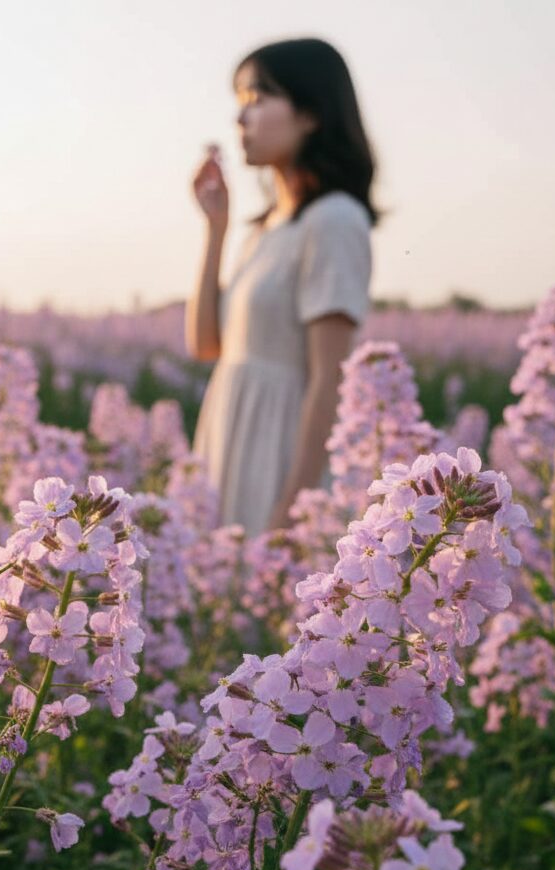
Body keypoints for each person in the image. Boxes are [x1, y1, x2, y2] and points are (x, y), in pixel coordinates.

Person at [185, 37, 379, 537]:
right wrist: (216, 228)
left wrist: (292, 514)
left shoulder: (334, 221)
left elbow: (329, 381)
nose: (240, 118)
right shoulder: (264, 228)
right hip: (229, 432)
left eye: (257, 98)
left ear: (311, 113)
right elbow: (207, 345)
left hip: (279, 454)